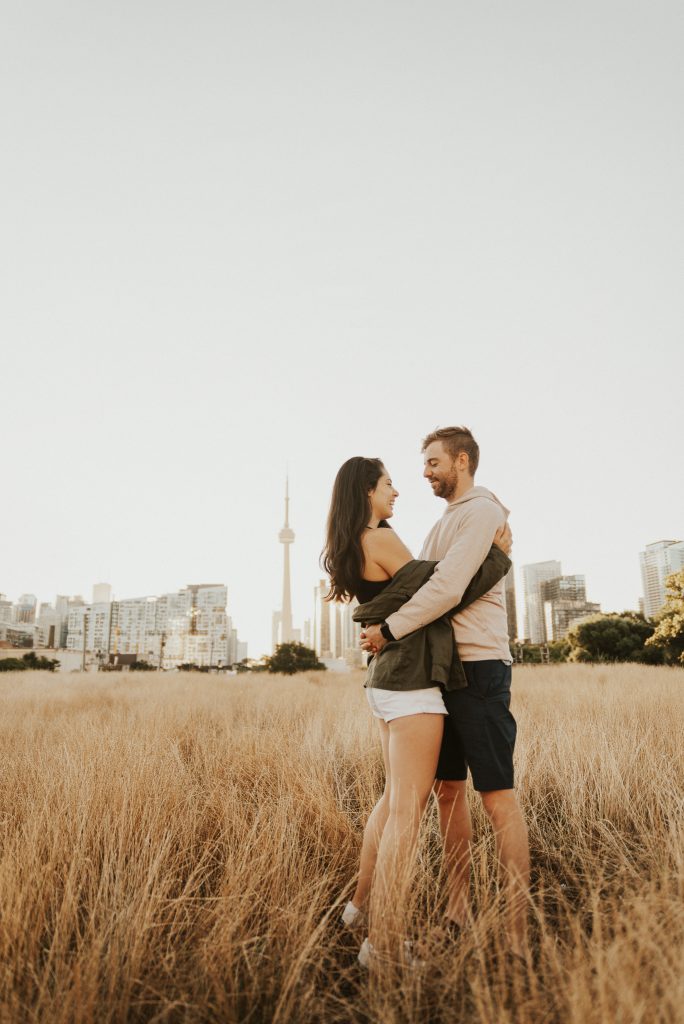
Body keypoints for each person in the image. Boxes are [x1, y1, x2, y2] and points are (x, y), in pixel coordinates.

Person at [321, 456, 512, 966]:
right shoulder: (379, 539)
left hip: (386, 684)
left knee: (390, 804)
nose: (396, 493)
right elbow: (441, 595)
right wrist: (496, 559)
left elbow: (413, 598)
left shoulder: (353, 542)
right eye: (387, 485)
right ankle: (380, 946)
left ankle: (358, 911)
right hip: (411, 685)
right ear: (365, 491)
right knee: (407, 813)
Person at [360, 426, 530, 960]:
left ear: (462, 460)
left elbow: (447, 589)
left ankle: (516, 934)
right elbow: (416, 587)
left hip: (479, 669)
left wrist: (387, 630)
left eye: (434, 462)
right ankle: (458, 910)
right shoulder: (440, 525)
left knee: (497, 797)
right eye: (423, 464)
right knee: (447, 793)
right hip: (438, 674)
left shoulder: (482, 512)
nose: (426, 472)